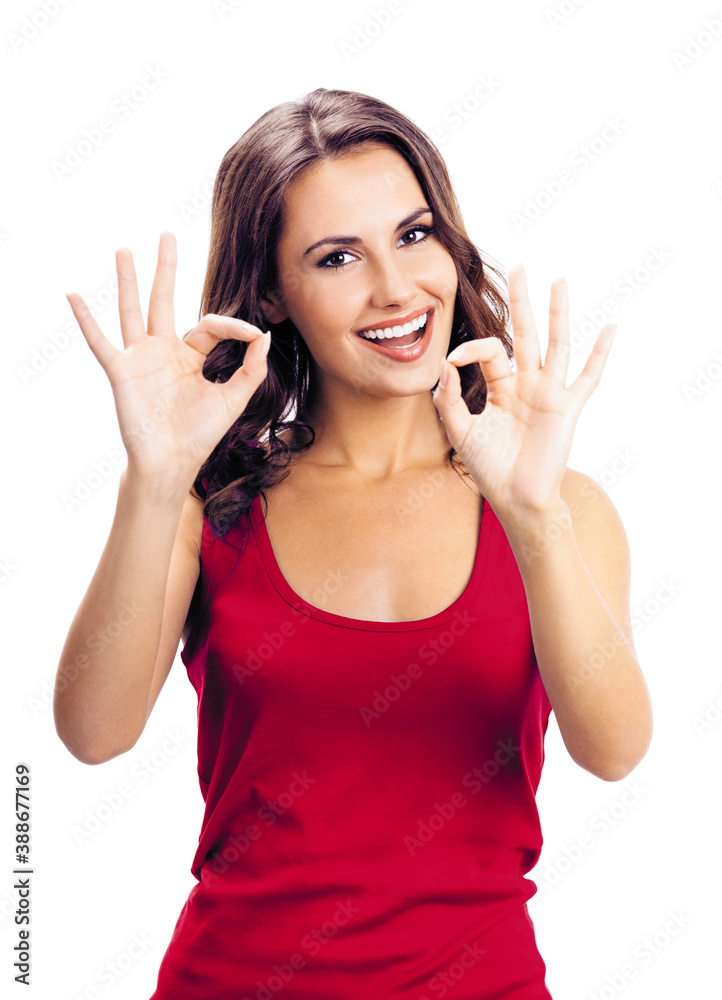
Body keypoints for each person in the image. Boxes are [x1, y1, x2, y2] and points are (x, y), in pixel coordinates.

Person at [54, 87, 653, 999]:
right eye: (337, 257)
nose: (396, 288)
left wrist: (533, 516)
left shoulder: (557, 504)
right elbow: (93, 735)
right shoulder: (208, 501)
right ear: (274, 295)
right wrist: (154, 477)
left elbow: (614, 750)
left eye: (415, 236)